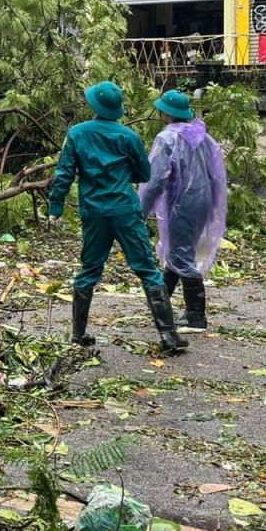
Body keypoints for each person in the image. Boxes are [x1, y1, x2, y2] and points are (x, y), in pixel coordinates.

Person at [49, 81, 186, 355]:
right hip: (125, 209)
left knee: (89, 269)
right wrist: (123, 175)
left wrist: (56, 208)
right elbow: (144, 174)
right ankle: (169, 336)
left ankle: (78, 335)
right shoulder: (129, 136)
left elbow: (64, 173)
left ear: (93, 106)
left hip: (94, 210)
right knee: (147, 269)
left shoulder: (76, 133)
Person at [139, 89, 228, 333]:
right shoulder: (201, 135)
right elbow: (216, 172)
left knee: (181, 254)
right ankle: (161, 305)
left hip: (180, 203)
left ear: (164, 113)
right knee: (178, 251)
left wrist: (140, 211)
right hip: (203, 201)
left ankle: (196, 316)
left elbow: (154, 179)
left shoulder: (166, 138)